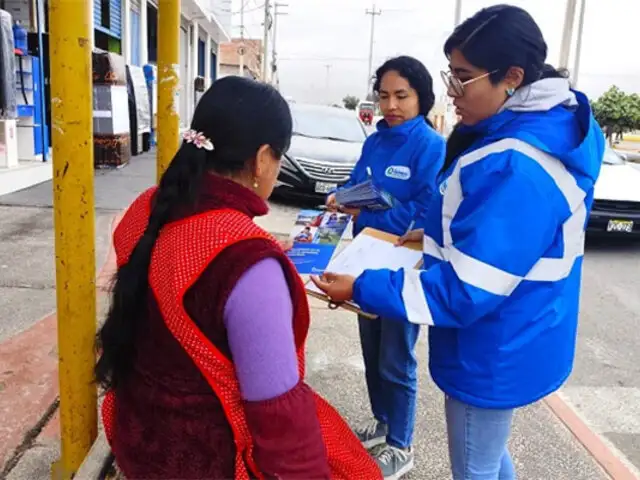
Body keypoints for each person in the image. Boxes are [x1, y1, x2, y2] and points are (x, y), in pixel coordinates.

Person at [313, 5, 604, 480]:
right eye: (452, 75)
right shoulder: (535, 129)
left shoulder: (515, 161)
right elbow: (503, 230)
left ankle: (398, 440)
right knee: (487, 457)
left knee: (474, 467)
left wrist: (361, 287)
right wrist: (433, 230)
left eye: (463, 78)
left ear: (512, 77)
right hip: (517, 326)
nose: (454, 91)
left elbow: (465, 289)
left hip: (494, 342)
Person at [95, 76, 381, 480]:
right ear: (263, 158)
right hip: (211, 460)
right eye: (280, 159)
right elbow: (281, 425)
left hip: (139, 438)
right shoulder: (245, 260)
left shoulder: (145, 209)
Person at [326, 56, 446, 478]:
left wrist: (373, 212)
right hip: (364, 261)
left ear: (421, 98)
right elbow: (359, 184)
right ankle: (382, 423)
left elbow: (426, 211)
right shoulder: (375, 141)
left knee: (397, 357)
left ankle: (402, 444)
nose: (391, 105)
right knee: (372, 347)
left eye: (402, 96)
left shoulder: (431, 147)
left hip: (401, 265)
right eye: (384, 96)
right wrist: (342, 197)